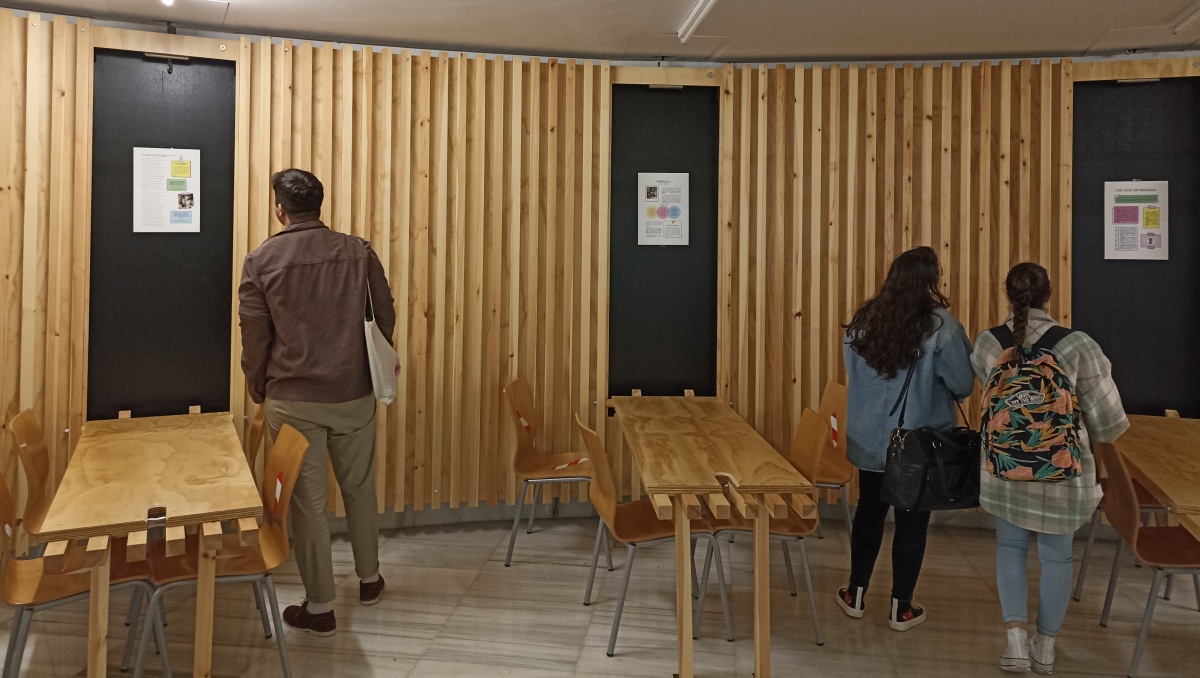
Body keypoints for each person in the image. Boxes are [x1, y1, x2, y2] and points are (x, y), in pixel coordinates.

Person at [239, 168, 396, 636]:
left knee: (307, 503)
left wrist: (257, 384)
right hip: (353, 394)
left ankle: (321, 606)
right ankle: (369, 580)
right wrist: (368, 364)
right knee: (359, 487)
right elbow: (384, 313)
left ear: (280, 209)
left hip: (293, 399)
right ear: (319, 205)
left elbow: (255, 336)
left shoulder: (261, 260)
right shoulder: (358, 251)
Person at [971, 263, 1128, 674]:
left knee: (1010, 549)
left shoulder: (988, 343)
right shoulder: (1078, 345)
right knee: (1057, 558)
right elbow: (1109, 422)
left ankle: (1014, 643)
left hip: (1005, 471)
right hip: (1063, 474)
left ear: (1008, 295)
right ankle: (1045, 648)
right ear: (1049, 295)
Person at [837, 246, 975, 631]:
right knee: (912, 522)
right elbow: (963, 385)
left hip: (869, 438)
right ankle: (902, 608)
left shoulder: (863, 321)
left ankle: (855, 594)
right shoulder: (943, 327)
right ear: (931, 280)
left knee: (869, 510)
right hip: (918, 444)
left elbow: (853, 373)